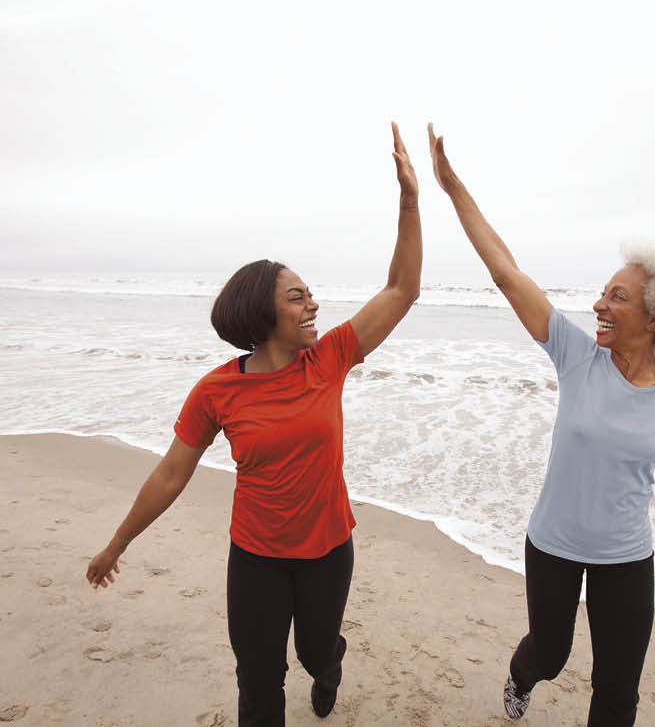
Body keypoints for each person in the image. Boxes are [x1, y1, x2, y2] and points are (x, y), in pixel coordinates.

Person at [86, 122, 423, 727]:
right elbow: (169, 475)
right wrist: (118, 542)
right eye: (297, 297)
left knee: (316, 651)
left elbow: (401, 289)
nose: (312, 304)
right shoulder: (218, 390)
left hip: (327, 549)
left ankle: (331, 664)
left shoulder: (330, 358)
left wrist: (408, 201)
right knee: (259, 681)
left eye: (309, 293)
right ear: (262, 312)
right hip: (256, 556)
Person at [427, 123, 655, 727]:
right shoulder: (579, 355)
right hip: (553, 542)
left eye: (619, 297)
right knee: (550, 655)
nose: (600, 305)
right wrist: (452, 189)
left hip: (627, 556)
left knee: (618, 690)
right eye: (603, 292)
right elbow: (507, 273)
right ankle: (521, 675)